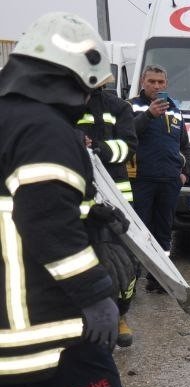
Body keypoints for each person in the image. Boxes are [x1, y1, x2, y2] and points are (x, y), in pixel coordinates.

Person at [0, 12, 177, 387]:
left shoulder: (6, 120)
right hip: (51, 328)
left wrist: (88, 217)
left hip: (4, 331)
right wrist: (97, 297)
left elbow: (25, 217)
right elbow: (45, 226)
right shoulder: (46, 132)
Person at [78, 85, 139, 346]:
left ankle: (121, 316)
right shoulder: (64, 103)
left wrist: (99, 148)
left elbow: (129, 147)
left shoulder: (118, 106)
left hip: (116, 196)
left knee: (125, 262)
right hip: (78, 194)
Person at [130, 64, 190, 292]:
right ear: (142, 83)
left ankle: (159, 280)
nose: (156, 86)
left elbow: (185, 145)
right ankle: (131, 281)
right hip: (141, 180)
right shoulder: (132, 107)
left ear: (166, 84)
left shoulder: (175, 110)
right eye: (151, 82)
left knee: (164, 234)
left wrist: (186, 174)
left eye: (160, 82)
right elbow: (128, 134)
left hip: (169, 181)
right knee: (139, 231)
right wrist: (149, 115)